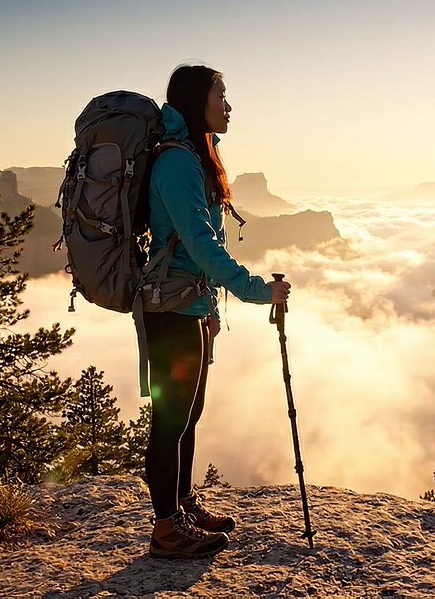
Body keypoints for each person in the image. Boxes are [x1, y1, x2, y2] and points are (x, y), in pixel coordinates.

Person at [143, 64, 291, 559]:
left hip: (192, 307)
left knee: (189, 415)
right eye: (220, 95)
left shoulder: (194, 157)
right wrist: (256, 291)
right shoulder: (178, 165)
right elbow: (202, 245)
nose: (228, 106)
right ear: (196, 102)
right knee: (169, 421)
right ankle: (165, 529)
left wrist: (210, 307)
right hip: (171, 311)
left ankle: (181, 505)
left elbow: (197, 251)